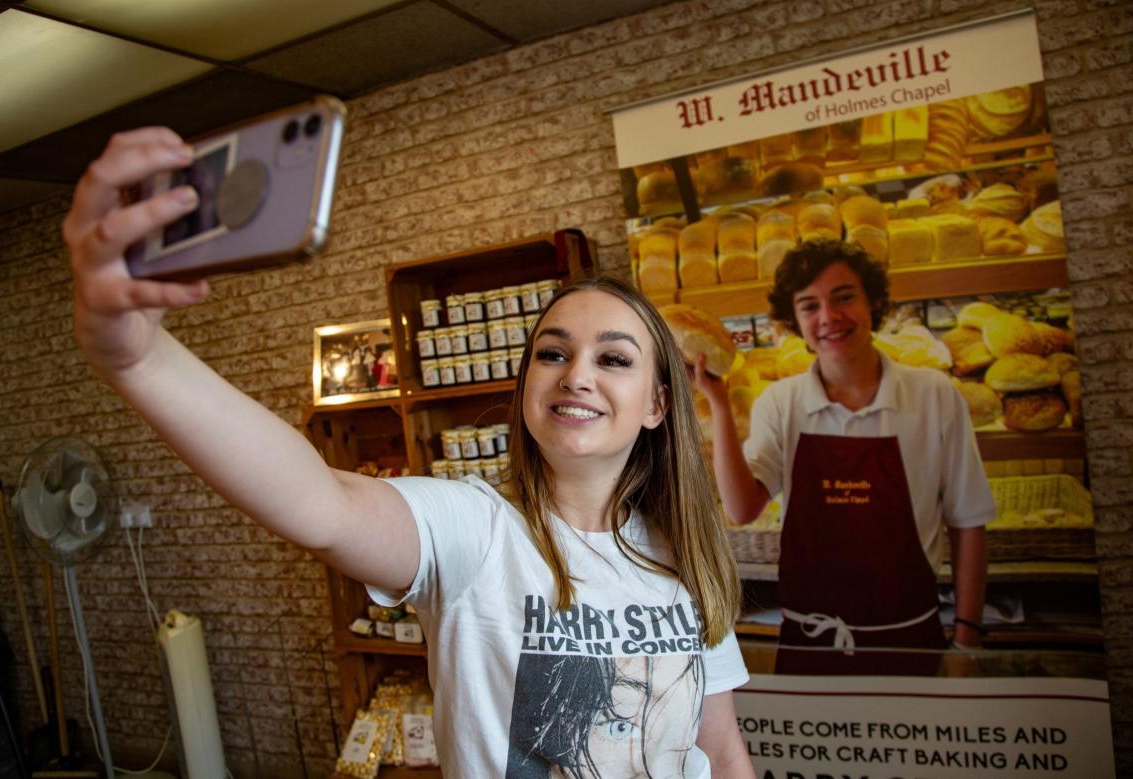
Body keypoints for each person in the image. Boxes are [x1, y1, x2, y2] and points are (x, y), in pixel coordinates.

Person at [64, 128, 755, 776]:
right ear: (526, 389)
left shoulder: (686, 551)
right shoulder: (477, 530)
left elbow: (718, 744)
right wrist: (141, 358)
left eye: (613, 358)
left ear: (659, 405)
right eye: (553, 353)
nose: (577, 374)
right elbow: (321, 503)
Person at [693, 239, 993, 675]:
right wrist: (718, 406)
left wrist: (968, 639)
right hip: (812, 641)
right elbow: (741, 508)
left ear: (873, 301)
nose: (829, 317)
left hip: (910, 636)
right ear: (794, 321)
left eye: (844, 297)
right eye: (809, 306)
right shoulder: (781, 402)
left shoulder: (934, 395)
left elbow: (968, 523)